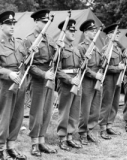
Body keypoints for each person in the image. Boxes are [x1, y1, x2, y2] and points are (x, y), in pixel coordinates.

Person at [0, 11, 27, 160]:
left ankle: (11, 146)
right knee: (5, 117)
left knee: (17, 117)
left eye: (13, 24)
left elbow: (25, 62)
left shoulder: (19, 42)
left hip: (21, 84)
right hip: (7, 85)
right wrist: (9, 74)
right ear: (1, 26)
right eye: (8, 24)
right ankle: (1, 149)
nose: (12, 26)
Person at [25, 9, 57, 157]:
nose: (45, 24)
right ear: (36, 22)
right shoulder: (29, 40)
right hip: (38, 78)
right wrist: (44, 74)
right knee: (36, 112)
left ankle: (42, 141)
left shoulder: (50, 39)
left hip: (49, 77)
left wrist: (59, 50)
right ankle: (34, 143)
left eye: (47, 22)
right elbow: (28, 65)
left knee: (47, 112)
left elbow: (56, 59)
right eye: (43, 22)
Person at [56, 19, 83, 151]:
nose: (73, 33)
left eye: (74, 31)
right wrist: (70, 80)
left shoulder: (76, 49)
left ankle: (70, 137)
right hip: (67, 83)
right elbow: (57, 70)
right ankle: (62, 138)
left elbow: (80, 66)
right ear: (64, 32)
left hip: (77, 82)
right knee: (65, 111)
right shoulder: (60, 48)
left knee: (74, 111)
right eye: (71, 31)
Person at [77, 19, 103, 145]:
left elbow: (99, 63)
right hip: (87, 81)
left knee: (95, 108)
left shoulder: (96, 48)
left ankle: (89, 130)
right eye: (91, 31)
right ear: (85, 32)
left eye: (94, 30)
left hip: (97, 80)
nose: (94, 32)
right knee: (85, 108)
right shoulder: (82, 47)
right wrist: (95, 75)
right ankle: (82, 132)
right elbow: (82, 66)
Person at [98, 23, 125, 140]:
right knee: (107, 103)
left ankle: (109, 125)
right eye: (115, 33)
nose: (118, 35)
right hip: (109, 79)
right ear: (109, 35)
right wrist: (117, 68)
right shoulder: (106, 49)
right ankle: (102, 128)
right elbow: (103, 67)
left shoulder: (118, 49)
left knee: (114, 103)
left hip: (117, 79)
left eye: (118, 33)